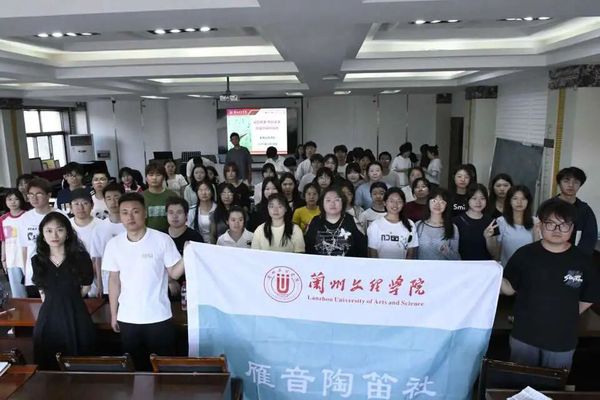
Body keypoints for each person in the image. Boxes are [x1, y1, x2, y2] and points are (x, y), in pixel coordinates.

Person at [501, 198, 600, 370]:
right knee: (520, 380)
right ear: (540, 226)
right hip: (524, 336)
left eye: (564, 225)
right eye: (550, 224)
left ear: (572, 228)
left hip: (562, 339)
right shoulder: (524, 254)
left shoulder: (583, 260)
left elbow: (590, 296)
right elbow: (509, 289)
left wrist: (566, 313)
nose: (557, 230)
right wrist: (490, 274)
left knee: (554, 383)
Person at [102, 193, 185, 371]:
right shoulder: (114, 245)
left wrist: (187, 255)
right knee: (136, 370)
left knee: (162, 368)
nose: (130, 217)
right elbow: (114, 281)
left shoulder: (162, 239)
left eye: (135, 211)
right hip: (128, 318)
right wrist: (114, 314)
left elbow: (174, 273)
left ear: (145, 213)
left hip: (159, 316)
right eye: (124, 212)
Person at [32, 212, 95, 369]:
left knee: (80, 361)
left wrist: (68, 299)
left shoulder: (81, 257)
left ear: (67, 233)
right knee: (49, 363)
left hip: (76, 313)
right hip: (49, 317)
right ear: (42, 235)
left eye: (59, 230)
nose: (54, 235)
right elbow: (42, 291)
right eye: (49, 231)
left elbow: (86, 286)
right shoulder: (37, 260)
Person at [19, 178, 67, 298]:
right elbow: (24, 248)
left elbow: (68, 244)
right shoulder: (25, 218)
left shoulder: (60, 215)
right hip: (33, 273)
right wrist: (26, 272)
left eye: (39, 194)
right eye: (31, 194)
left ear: (49, 195)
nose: (34, 198)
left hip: (58, 271)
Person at [305, 186, 367, 257]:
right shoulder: (314, 221)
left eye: (337, 200)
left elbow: (362, 249)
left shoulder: (353, 221)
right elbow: (308, 249)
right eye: (328, 200)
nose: (332, 204)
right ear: (322, 203)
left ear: (343, 202)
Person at [486, 185, 540, 266]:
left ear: (528, 201)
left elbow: (538, 250)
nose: (519, 202)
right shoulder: (501, 221)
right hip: (506, 268)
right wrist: (489, 238)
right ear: (509, 201)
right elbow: (495, 254)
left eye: (523, 199)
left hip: (529, 268)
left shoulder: (535, 221)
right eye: (515, 198)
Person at [90, 183, 126, 298]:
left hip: (130, 279)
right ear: (105, 201)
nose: (113, 202)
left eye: (116, 197)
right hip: (108, 282)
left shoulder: (131, 226)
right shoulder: (99, 229)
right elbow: (98, 258)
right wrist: (100, 284)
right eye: (109, 198)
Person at [165, 197, 203, 298]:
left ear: (186, 215)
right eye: (171, 212)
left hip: (189, 286)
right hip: (165, 284)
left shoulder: (195, 237)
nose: (175, 216)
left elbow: (199, 267)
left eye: (179, 212)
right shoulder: (161, 236)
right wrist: (169, 280)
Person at [556, 167, 598, 256]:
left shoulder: (585, 210)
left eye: (576, 182)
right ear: (559, 183)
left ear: (580, 185)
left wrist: (577, 257)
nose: (571, 185)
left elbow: (590, 238)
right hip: (549, 256)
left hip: (575, 257)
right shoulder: (547, 207)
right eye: (566, 181)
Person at [368, 187, 418, 259]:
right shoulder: (375, 225)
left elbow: (411, 252)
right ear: (385, 203)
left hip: (402, 266)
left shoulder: (410, 224)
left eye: (399, 201)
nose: (395, 204)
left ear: (403, 204)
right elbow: (372, 253)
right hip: (380, 266)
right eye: (391, 201)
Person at [69, 189, 102, 296]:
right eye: (76, 204)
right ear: (70, 207)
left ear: (92, 205)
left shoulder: (101, 226)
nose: (81, 207)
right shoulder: (65, 226)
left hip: (99, 276)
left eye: (85, 203)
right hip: (74, 277)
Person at [416, 188, 460, 260]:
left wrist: (447, 251)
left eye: (442, 202)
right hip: (422, 267)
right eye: (434, 201)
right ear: (428, 203)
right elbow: (413, 254)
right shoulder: (418, 225)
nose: (437, 204)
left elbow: (457, 258)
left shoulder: (452, 227)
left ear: (446, 205)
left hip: (443, 267)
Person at [453, 184, 494, 260]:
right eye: (474, 198)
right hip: (462, 264)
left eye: (482, 198)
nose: (478, 202)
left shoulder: (491, 222)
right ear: (467, 200)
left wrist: (488, 238)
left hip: (484, 264)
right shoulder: (457, 221)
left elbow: (496, 254)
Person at [0, 189, 27, 297]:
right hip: (12, 259)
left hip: (27, 258)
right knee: (17, 292)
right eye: (10, 199)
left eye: (16, 199)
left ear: (21, 200)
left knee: (34, 289)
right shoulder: (3, 219)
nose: (13, 202)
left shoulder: (27, 215)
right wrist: (3, 259)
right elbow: (3, 240)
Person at [142, 162, 178, 232]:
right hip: (147, 234)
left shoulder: (172, 195)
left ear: (163, 177)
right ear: (146, 178)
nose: (154, 178)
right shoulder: (140, 197)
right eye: (151, 175)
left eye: (158, 175)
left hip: (169, 234)